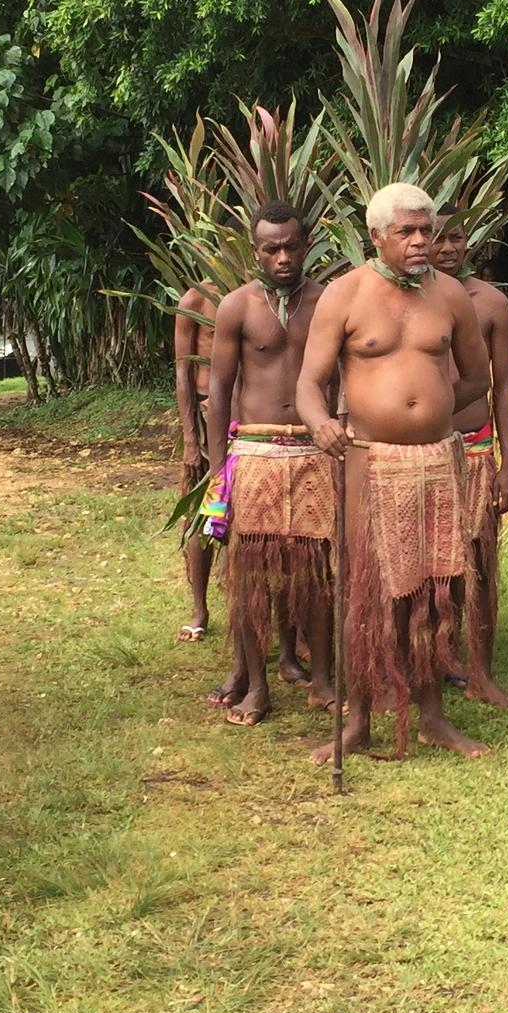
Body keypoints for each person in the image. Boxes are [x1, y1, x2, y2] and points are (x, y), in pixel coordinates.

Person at [296, 182, 491, 761]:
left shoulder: (450, 295)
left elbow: (477, 378)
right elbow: (309, 384)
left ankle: (433, 717)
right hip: (369, 461)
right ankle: (358, 723)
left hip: (435, 461)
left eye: (426, 230)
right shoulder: (345, 295)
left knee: (435, 589)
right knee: (369, 591)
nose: (420, 241)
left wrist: (427, 416)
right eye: (406, 231)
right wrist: (320, 424)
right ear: (376, 236)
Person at [203, 202, 331, 726]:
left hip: (313, 451)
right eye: (270, 248)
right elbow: (218, 387)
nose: (282, 257)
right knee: (251, 574)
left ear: (306, 246)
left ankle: (322, 675)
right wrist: (217, 469)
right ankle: (256, 687)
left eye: (291, 246)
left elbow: (341, 380)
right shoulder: (236, 307)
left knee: (316, 569)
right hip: (253, 452)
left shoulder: (327, 302)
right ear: (253, 250)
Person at [433, 218, 508, 709]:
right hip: (419, 448)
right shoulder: (405, 299)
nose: (447, 248)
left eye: (456, 237)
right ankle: (426, 658)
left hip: (474, 446)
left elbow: (503, 386)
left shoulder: (489, 302)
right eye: (437, 237)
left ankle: (481, 672)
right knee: (421, 564)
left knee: (481, 561)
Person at [174, 282, 220, 642]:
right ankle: (199, 606)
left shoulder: (260, 290)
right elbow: (183, 372)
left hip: (250, 418)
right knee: (202, 515)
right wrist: (191, 438)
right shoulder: (196, 299)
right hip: (206, 419)